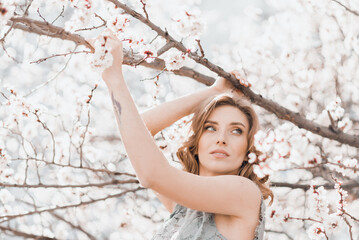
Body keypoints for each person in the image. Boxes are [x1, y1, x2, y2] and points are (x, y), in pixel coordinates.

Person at [96, 32, 273, 240]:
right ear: (196, 143)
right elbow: (139, 130)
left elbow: (150, 174)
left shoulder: (244, 193)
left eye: (236, 131)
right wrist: (213, 92)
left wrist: (115, 79)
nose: (221, 138)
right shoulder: (185, 208)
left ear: (248, 151)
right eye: (210, 128)